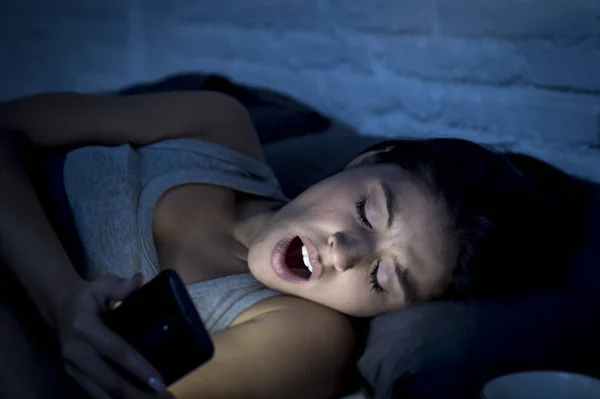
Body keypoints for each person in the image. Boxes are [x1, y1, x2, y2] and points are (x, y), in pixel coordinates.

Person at [0, 90, 584, 399]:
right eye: (366, 210)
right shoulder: (216, 124)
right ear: (368, 158)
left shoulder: (303, 338)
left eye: (382, 279)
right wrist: (59, 295)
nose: (347, 250)